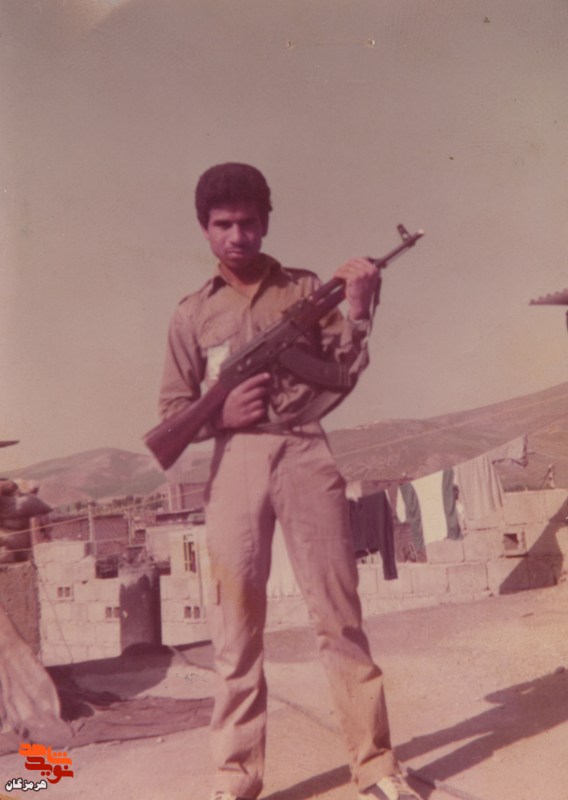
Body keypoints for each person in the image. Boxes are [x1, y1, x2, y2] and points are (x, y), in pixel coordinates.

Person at [158, 163, 421, 800]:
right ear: (204, 229)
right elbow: (171, 415)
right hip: (235, 462)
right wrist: (221, 414)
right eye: (224, 224)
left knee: (338, 615)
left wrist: (359, 309)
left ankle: (375, 765)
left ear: (266, 222)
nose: (238, 236)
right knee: (235, 630)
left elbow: (342, 371)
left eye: (249, 222)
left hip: (305, 449)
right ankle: (235, 778)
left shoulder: (306, 288)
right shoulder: (191, 314)